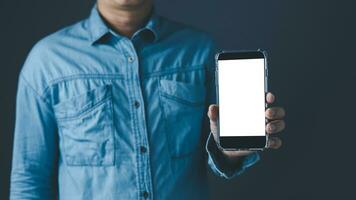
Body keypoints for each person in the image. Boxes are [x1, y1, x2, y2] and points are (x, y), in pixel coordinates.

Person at [10, 0, 286, 199]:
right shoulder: (47, 61)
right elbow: (29, 178)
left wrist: (230, 151)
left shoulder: (198, 49)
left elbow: (214, 155)